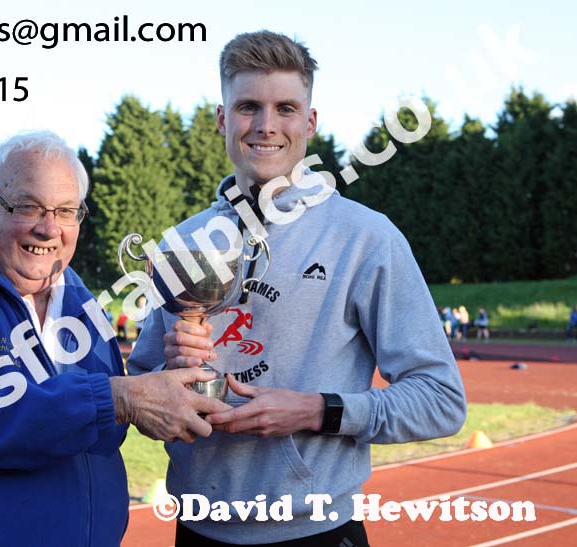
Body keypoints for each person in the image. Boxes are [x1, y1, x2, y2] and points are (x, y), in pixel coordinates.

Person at [128, 31, 467, 547]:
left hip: (318, 530)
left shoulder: (366, 237)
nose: (266, 125)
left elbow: (440, 399)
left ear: (309, 123)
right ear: (222, 119)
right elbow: (142, 392)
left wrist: (318, 410)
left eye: (285, 108)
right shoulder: (184, 243)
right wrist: (172, 376)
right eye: (247, 107)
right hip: (197, 529)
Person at [0, 131, 229, 546]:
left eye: (66, 211)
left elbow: (104, 432)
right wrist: (120, 398)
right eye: (27, 206)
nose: (49, 228)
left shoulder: (82, 302)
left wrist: (165, 385)